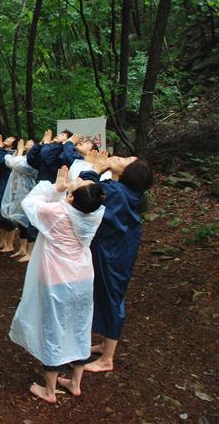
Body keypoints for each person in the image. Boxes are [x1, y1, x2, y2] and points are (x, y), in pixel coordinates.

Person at [9, 166, 105, 404]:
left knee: (53, 327)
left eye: (80, 184)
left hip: (57, 279)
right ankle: (75, 382)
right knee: (80, 326)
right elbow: (75, 203)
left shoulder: (58, 213)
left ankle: (50, 390)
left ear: (71, 198)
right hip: (83, 276)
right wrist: (67, 191)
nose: (79, 179)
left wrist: (55, 187)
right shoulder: (94, 213)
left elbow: (30, 203)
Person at [78, 151, 154, 373]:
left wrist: (95, 169)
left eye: (125, 161)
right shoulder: (122, 190)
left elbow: (85, 191)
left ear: (129, 174)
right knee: (109, 294)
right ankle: (105, 344)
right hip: (117, 249)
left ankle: (107, 359)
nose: (119, 158)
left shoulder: (118, 193)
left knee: (112, 296)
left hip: (112, 254)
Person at [0, 139, 38, 262]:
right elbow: (9, 161)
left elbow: (13, 163)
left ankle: (31, 252)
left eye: (30, 142)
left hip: (29, 193)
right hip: (19, 193)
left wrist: (20, 150)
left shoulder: (34, 160)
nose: (26, 143)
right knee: (20, 221)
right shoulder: (24, 157)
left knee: (28, 221)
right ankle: (22, 248)